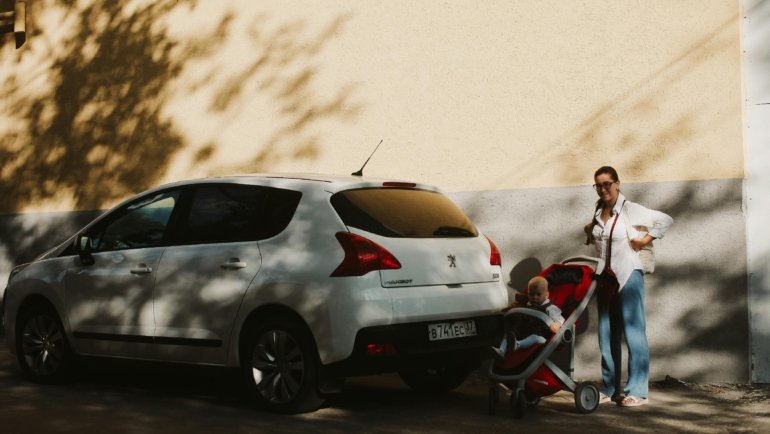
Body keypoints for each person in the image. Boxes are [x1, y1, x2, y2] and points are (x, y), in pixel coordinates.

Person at [584, 166, 673, 408]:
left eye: (607, 184)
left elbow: (665, 219)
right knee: (606, 335)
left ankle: (637, 391)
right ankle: (610, 388)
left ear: (617, 183)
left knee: (634, 333)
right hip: (605, 278)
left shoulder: (629, 209)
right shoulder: (599, 211)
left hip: (628, 275)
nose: (603, 189)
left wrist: (644, 240)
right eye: (598, 185)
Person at [490, 276, 565, 359]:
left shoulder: (550, 308)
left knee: (535, 338)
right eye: (531, 294)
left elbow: (560, 318)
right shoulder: (527, 304)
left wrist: (557, 324)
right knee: (509, 334)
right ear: (528, 293)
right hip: (523, 333)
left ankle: (517, 345)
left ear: (547, 295)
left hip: (541, 336)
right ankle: (501, 351)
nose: (534, 297)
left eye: (538, 294)